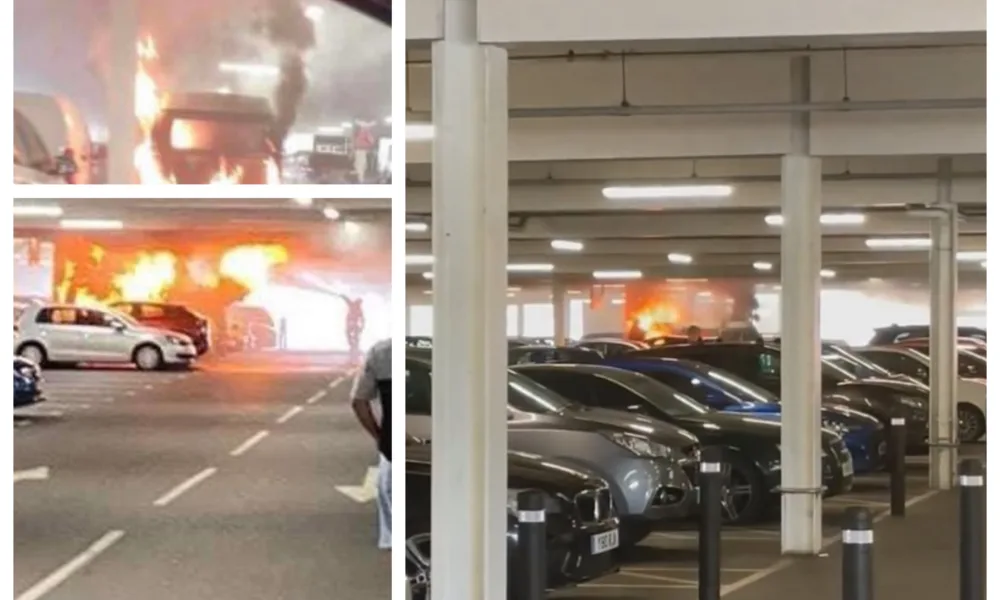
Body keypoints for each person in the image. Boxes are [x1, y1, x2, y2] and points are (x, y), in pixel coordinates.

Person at [350, 338, 392, 550]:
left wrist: (379, 436)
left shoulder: (382, 351)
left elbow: (358, 402)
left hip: (394, 446)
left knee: (388, 490)